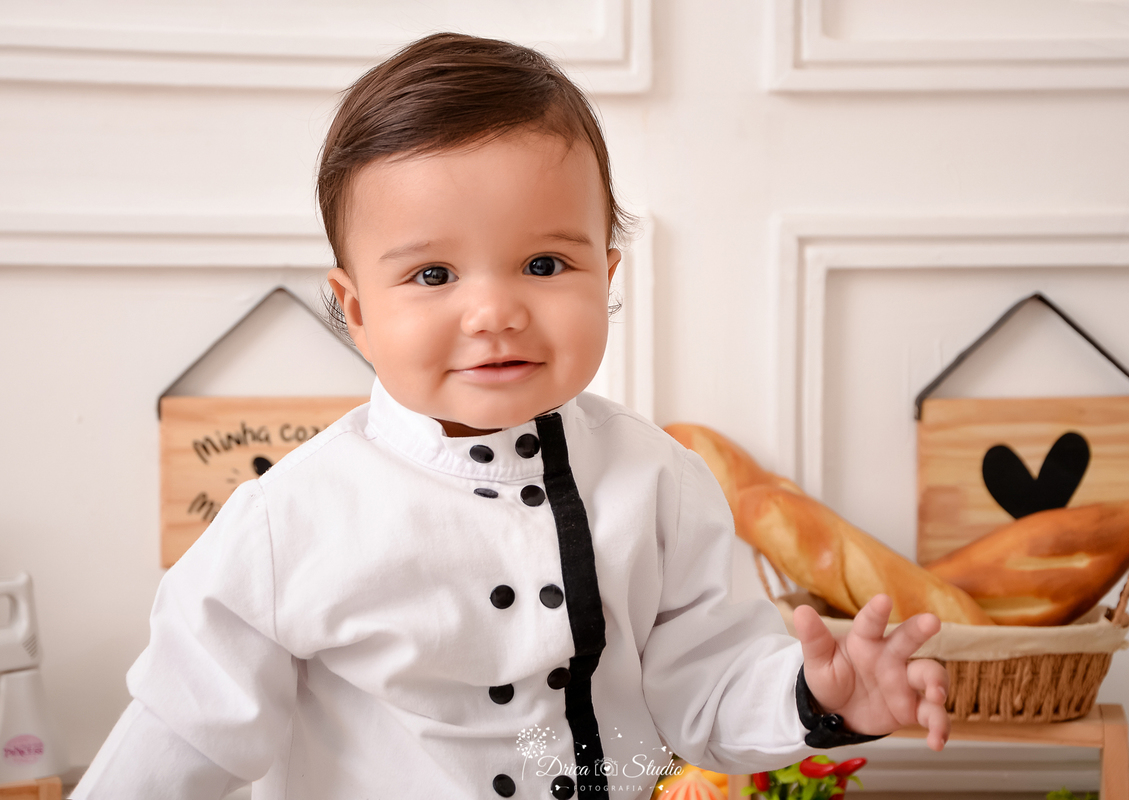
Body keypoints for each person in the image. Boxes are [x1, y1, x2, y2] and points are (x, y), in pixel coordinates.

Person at [72, 33, 949, 800]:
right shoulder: (288, 521)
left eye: (541, 263)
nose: (494, 312)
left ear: (606, 280)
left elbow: (709, 693)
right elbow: (183, 732)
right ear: (356, 310)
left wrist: (821, 699)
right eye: (432, 276)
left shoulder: (660, 483)